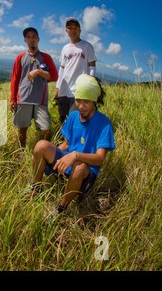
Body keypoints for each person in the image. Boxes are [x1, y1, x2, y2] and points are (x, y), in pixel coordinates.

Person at [26, 74, 115, 222]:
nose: (81, 106)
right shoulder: (73, 116)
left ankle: (61, 209)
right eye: (78, 100)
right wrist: (48, 157)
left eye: (86, 101)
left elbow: (99, 159)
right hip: (69, 163)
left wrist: (75, 155)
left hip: (85, 172)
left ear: (95, 101)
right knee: (41, 145)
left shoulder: (104, 123)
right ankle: (35, 188)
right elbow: (67, 144)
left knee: (79, 166)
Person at [10, 27, 58, 147]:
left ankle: (40, 153)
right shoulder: (20, 57)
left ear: (38, 39)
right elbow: (15, 79)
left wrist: (38, 72)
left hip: (40, 101)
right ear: (25, 40)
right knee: (22, 128)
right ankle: (22, 152)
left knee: (46, 130)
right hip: (23, 98)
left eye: (34, 36)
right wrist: (12, 99)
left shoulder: (46, 58)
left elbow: (54, 76)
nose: (32, 39)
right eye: (28, 37)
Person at [55, 18, 97, 124]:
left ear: (80, 30)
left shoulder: (86, 46)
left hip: (79, 89)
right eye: (70, 27)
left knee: (73, 118)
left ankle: (73, 140)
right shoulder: (65, 48)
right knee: (62, 118)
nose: (73, 30)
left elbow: (92, 66)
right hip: (64, 89)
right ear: (66, 31)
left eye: (75, 27)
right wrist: (58, 88)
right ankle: (64, 139)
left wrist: (90, 86)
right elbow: (62, 68)